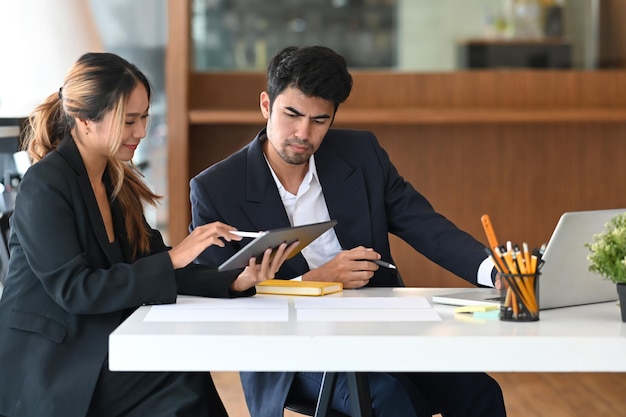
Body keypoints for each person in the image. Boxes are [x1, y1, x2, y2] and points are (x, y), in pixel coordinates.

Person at [189, 46, 506, 417]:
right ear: (266, 105)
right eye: (292, 115)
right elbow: (218, 293)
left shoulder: (361, 154)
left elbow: (424, 223)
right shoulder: (216, 188)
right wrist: (317, 280)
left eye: (320, 120)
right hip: (291, 347)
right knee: (389, 397)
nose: (303, 133)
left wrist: (494, 271)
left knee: (479, 391)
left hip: (379, 327)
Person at [0, 52, 296, 417]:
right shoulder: (44, 185)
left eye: (144, 117)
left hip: (100, 343)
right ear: (85, 120)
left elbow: (152, 265)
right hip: (52, 362)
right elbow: (76, 290)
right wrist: (175, 256)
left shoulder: (113, 180)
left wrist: (236, 280)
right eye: (129, 121)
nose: (141, 131)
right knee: (178, 383)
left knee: (185, 372)